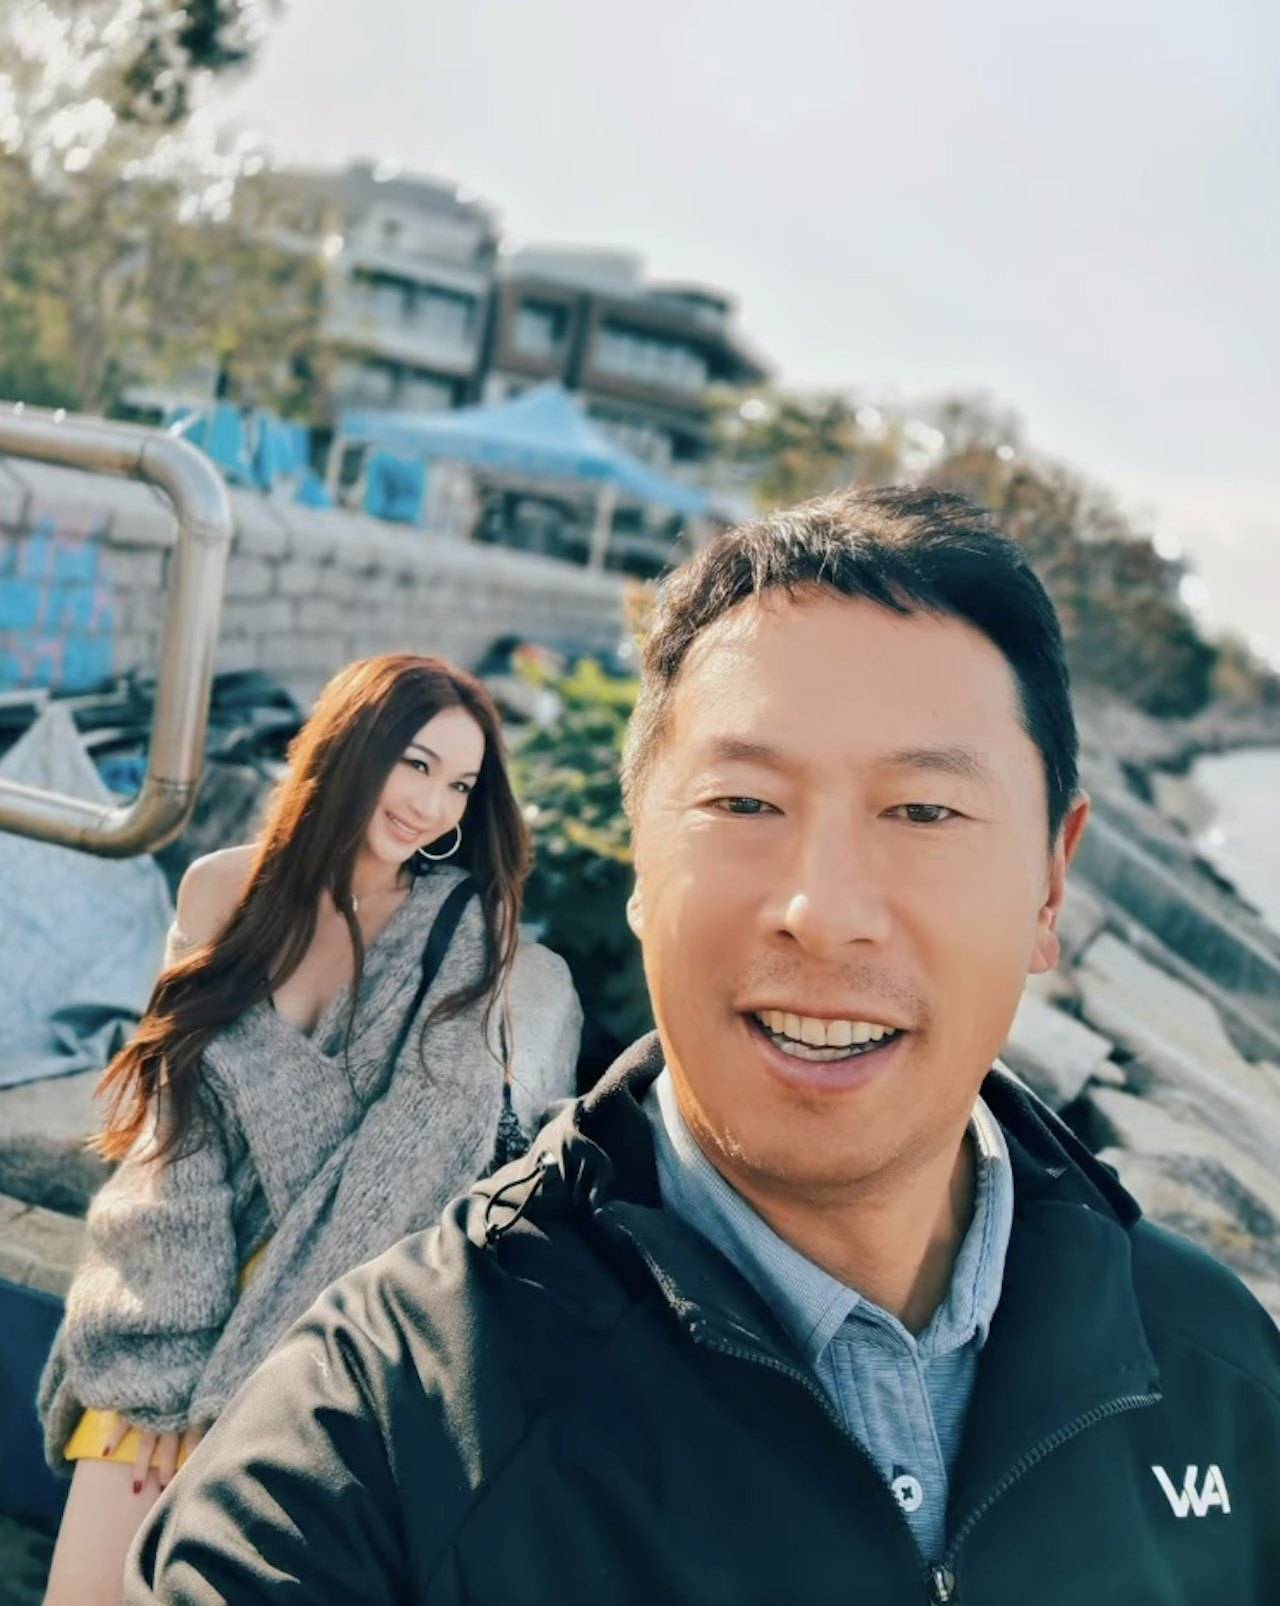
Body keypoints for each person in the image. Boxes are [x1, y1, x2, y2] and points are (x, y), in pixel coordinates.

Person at [125, 491, 1279, 1605]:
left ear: (1049, 887)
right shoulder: (375, 1439)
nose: (821, 912)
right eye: (742, 805)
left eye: (923, 812)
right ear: (640, 862)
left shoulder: (1221, 1370)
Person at [38, 652, 582, 1606]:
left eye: (461, 785)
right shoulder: (221, 890)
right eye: (415, 764)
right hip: (176, 1291)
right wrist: (168, 1364)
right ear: (350, 747)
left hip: (323, 1337)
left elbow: (400, 1181)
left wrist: (242, 1393)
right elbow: (172, 1138)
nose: (433, 805)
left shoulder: (465, 936)